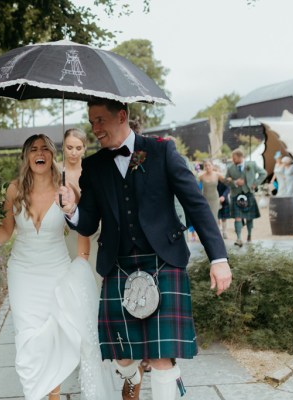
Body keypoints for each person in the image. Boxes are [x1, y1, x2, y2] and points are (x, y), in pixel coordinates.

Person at [57, 98, 232, 400]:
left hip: (163, 260)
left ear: (122, 116)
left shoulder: (162, 151)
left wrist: (218, 258)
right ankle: (131, 374)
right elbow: (87, 224)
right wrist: (72, 209)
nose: (95, 128)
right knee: (121, 354)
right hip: (119, 264)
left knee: (163, 356)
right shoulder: (95, 167)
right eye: (91, 121)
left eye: (100, 120)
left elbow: (196, 205)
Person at [0, 134, 113, 400]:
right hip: (23, 274)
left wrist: (81, 263)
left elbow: (83, 229)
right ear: (26, 156)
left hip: (57, 271)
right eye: (34, 149)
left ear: (53, 155)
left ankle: (53, 396)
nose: (39, 153)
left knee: (54, 336)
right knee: (28, 337)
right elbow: (5, 232)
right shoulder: (14, 189)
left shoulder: (66, 189)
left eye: (45, 148)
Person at [62, 128, 102, 289]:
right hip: (65, 232)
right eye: (69, 147)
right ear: (63, 146)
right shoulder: (55, 171)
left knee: (94, 277)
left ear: (85, 148)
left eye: (78, 148)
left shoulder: (92, 171)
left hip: (93, 231)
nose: (73, 152)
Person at [225, 149, 268, 247]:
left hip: (248, 193)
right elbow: (225, 181)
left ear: (240, 157)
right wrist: (235, 182)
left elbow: (263, 173)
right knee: (237, 217)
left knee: (249, 217)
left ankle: (249, 235)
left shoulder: (251, 164)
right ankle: (239, 238)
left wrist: (255, 184)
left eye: (234, 158)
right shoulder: (230, 167)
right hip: (236, 195)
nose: (232, 160)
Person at [198, 159, 224, 225]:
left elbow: (226, 182)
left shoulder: (217, 174)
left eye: (209, 165)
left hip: (214, 199)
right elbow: (194, 185)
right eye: (206, 165)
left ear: (212, 166)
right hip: (205, 199)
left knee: (214, 218)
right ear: (204, 167)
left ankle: (215, 234)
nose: (207, 167)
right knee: (206, 218)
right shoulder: (201, 176)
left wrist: (224, 195)